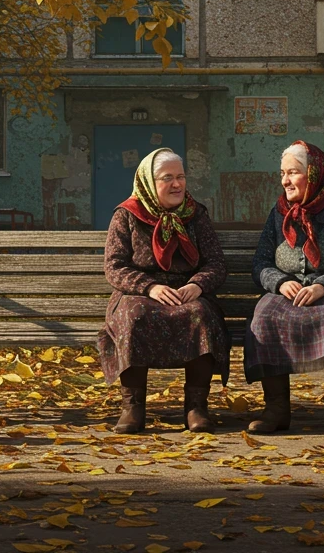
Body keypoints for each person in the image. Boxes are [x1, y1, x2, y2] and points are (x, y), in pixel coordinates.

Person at [244, 140, 324, 436]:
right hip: (288, 293)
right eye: (282, 173)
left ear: (314, 174)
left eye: (293, 173)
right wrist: (279, 282)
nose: (285, 181)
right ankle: (276, 409)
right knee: (265, 316)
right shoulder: (279, 213)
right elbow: (260, 263)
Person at [98, 148, 230, 434]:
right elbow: (114, 267)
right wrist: (150, 287)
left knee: (200, 315)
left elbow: (216, 263)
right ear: (147, 181)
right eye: (167, 178)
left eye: (180, 176)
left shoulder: (196, 215)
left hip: (187, 290)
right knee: (134, 316)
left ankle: (196, 407)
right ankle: (132, 407)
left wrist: (198, 284)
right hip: (140, 292)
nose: (177, 184)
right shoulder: (127, 215)